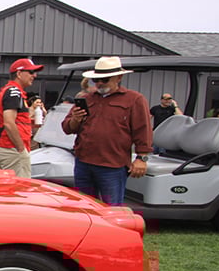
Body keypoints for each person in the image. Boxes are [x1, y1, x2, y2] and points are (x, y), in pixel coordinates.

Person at [62, 56, 152, 205]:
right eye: (96, 80)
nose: (99, 83)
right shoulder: (87, 99)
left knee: (112, 207)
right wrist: (75, 120)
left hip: (113, 165)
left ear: (119, 78)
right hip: (83, 163)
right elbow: (66, 128)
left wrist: (141, 158)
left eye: (105, 79)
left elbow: (143, 130)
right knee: (84, 206)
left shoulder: (134, 99)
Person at [0, 58, 43, 178]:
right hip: (11, 148)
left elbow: (15, 120)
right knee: (20, 187)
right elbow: (9, 123)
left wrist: (30, 123)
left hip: (6, 147)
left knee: (7, 186)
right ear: (19, 74)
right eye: (31, 72)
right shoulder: (14, 92)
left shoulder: (11, 91)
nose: (34, 75)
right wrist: (21, 148)